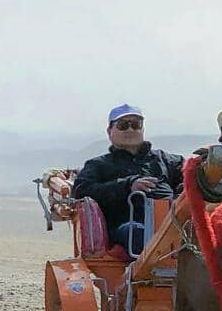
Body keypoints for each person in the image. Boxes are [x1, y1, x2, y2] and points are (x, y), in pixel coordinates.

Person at [70, 105, 183, 256]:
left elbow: (190, 177)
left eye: (136, 125)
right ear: (110, 132)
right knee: (136, 233)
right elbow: (81, 191)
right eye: (123, 125)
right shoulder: (98, 165)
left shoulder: (167, 160)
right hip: (128, 227)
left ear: (142, 130)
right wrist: (127, 186)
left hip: (172, 223)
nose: (130, 130)